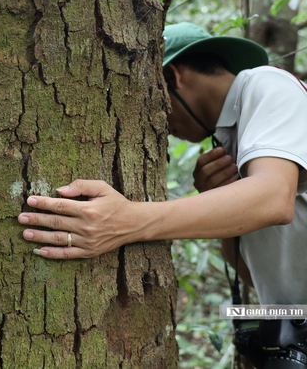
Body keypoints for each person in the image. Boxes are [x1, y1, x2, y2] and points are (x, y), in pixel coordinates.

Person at [18, 21, 307, 305]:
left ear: (172, 76)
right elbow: (253, 276)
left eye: (154, 103)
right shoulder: (233, 138)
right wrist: (222, 203)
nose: (160, 125)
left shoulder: (266, 83)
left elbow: (274, 199)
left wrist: (128, 221)